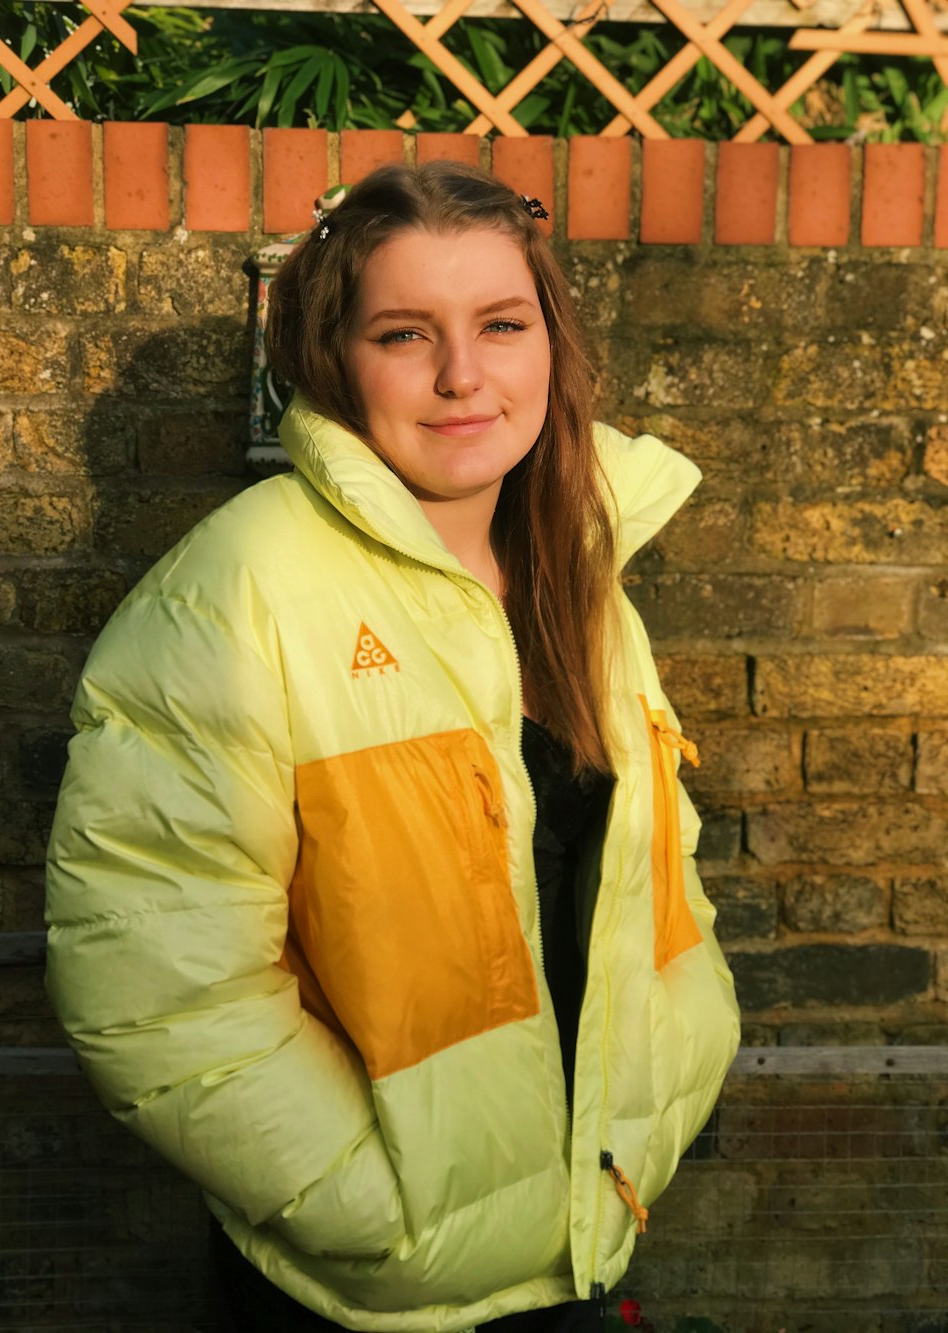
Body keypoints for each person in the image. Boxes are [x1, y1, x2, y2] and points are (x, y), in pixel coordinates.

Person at [45, 161, 740, 1333]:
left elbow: (649, 883)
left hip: (586, 1238)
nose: (464, 374)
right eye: (406, 332)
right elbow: (157, 987)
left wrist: (675, 1080)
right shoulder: (238, 592)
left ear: (550, 345)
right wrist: (373, 1209)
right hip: (368, 1293)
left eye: (501, 325)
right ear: (334, 357)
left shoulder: (581, 577)